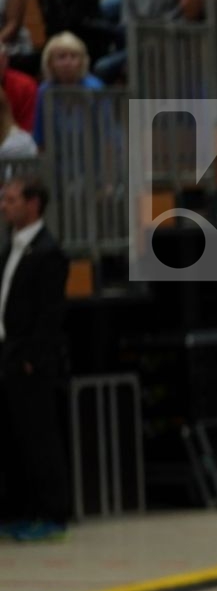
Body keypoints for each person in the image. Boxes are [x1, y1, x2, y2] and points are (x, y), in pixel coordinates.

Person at [0, 178, 71, 542]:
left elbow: (50, 314)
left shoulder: (48, 252)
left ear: (33, 204)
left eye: (11, 199)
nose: (4, 206)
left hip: (30, 361)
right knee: (13, 438)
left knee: (39, 437)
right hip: (7, 354)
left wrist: (33, 358)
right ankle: (20, 508)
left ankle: (52, 512)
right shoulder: (11, 248)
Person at [32, 34, 104, 149]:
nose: (68, 62)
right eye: (61, 57)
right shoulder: (45, 90)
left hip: (92, 158)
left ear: (81, 61)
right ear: (50, 63)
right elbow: (40, 136)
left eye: (74, 56)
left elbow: (107, 134)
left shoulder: (95, 88)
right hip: (58, 159)